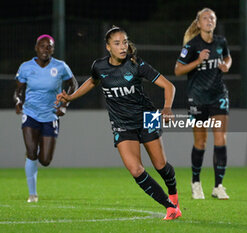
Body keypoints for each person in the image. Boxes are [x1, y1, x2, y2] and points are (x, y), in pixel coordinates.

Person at [56, 26, 181, 220]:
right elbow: (92, 81)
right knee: (135, 170)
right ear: (108, 47)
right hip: (121, 122)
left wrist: (167, 108)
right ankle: (170, 207)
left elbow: (168, 86)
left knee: (160, 165)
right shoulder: (99, 66)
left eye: (124, 42)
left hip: (148, 117)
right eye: (117, 43)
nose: (122, 47)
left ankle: (173, 193)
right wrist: (70, 97)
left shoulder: (136, 64)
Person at [174, 8, 232, 200]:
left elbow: (227, 57)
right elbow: (178, 70)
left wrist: (226, 65)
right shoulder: (191, 46)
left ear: (215, 23)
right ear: (198, 23)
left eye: (212, 18)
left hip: (218, 96)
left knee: (221, 139)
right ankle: (196, 183)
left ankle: (218, 186)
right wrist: (198, 61)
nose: (209, 20)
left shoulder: (221, 42)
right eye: (205, 18)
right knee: (201, 142)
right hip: (197, 98)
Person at [14, 34, 78, 203]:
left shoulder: (61, 66)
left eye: (49, 46)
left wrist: (64, 105)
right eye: (42, 46)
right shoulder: (26, 67)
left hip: (51, 115)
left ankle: (34, 156)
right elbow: (18, 90)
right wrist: (19, 102)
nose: (45, 49)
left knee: (45, 160)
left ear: (53, 49)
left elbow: (73, 85)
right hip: (30, 114)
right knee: (31, 152)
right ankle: (32, 194)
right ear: (36, 48)